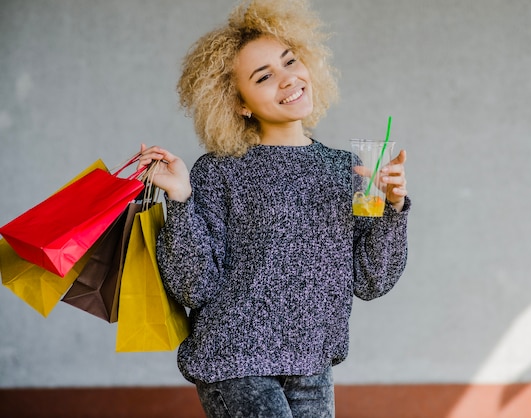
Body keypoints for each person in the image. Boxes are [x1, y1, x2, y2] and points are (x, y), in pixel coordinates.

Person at [138, 0, 410, 416]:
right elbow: (195, 287)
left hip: (313, 365)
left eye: (290, 62)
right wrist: (181, 201)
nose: (288, 80)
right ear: (239, 102)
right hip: (234, 361)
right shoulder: (219, 172)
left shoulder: (346, 171)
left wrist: (392, 207)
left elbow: (371, 281)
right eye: (264, 76)